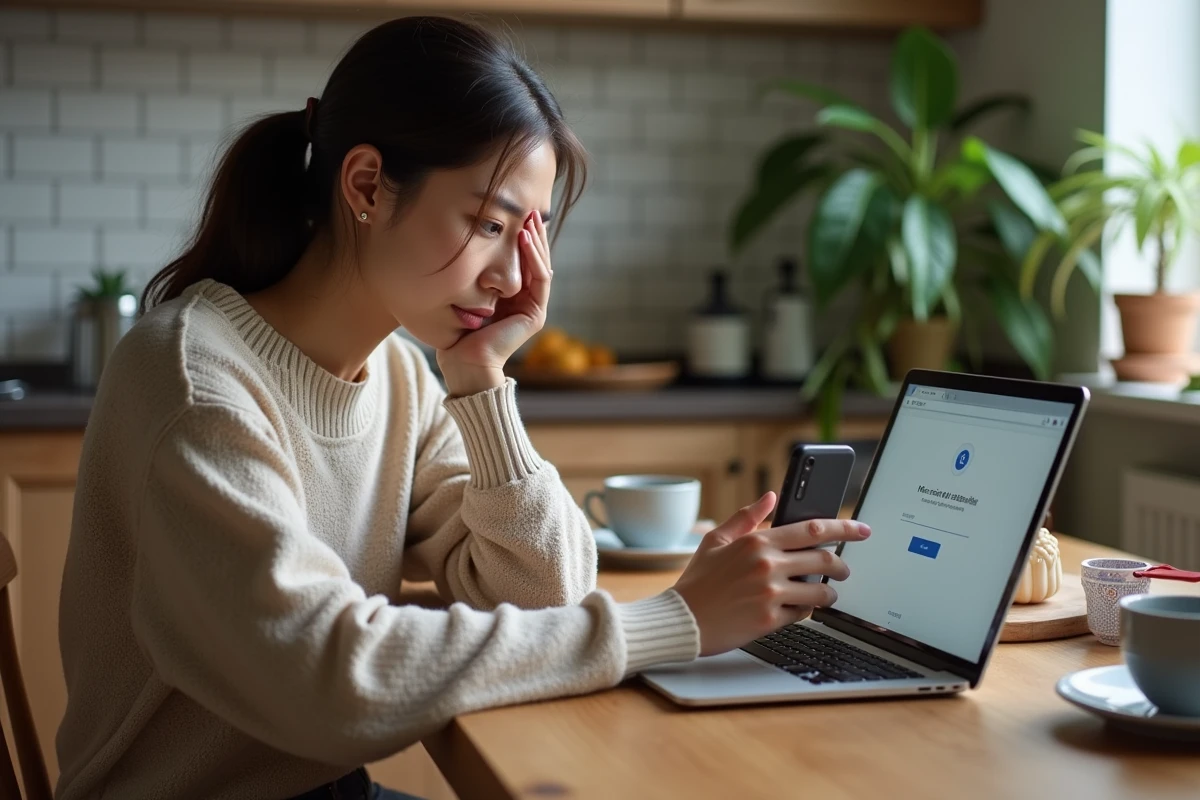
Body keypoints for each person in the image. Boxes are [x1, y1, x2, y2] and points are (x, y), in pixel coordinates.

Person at [53, 15, 869, 800]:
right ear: (367, 185)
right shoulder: (194, 383)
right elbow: (334, 682)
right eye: (487, 223)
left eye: (528, 238)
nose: (513, 280)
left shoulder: (402, 376)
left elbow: (542, 595)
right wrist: (671, 622)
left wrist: (480, 382)